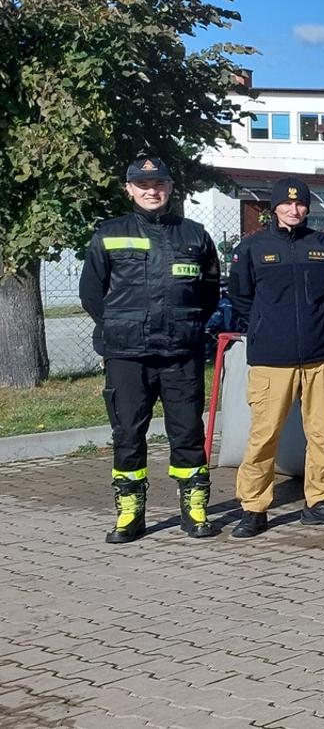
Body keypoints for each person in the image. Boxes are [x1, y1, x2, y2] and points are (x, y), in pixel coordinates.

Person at [81, 155, 222, 543]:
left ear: (170, 188)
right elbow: (92, 294)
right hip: (127, 354)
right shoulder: (109, 233)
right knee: (127, 433)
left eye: (158, 184)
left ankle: (194, 509)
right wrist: (120, 327)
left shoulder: (194, 235)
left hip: (181, 353)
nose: (151, 191)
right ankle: (130, 513)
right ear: (129, 189)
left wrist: (186, 325)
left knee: (188, 432)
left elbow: (209, 293)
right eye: (143, 185)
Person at [225, 177, 324, 537]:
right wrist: (267, 325)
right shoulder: (252, 247)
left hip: (320, 354)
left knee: (322, 433)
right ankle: (254, 507)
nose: (294, 210)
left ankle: (320, 502)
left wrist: (320, 322)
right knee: (264, 434)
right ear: (275, 207)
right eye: (287, 203)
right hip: (271, 357)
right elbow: (241, 297)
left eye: (300, 204)